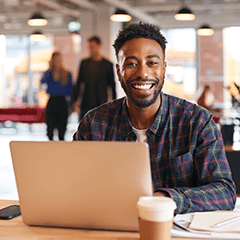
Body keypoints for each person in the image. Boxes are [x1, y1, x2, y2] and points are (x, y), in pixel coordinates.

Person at [73, 22, 236, 215]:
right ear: (118, 72)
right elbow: (73, 185)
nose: (143, 73)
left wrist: (166, 199)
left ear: (164, 69)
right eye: (132, 64)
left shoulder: (198, 122)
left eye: (152, 63)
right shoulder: (94, 124)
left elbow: (224, 192)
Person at [73, 36, 116, 120]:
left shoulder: (107, 65)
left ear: (99, 46)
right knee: (85, 127)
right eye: (89, 47)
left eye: (92, 46)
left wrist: (114, 104)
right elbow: (78, 83)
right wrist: (75, 101)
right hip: (86, 102)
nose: (91, 49)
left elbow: (112, 86)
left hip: (102, 102)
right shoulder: (84, 63)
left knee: (101, 128)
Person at [41, 51, 73, 141]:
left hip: (62, 103)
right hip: (52, 101)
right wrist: (50, 68)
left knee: (62, 131)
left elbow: (71, 91)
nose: (57, 62)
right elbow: (42, 81)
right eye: (55, 60)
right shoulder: (49, 73)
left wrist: (70, 106)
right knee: (50, 130)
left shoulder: (67, 74)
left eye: (58, 59)